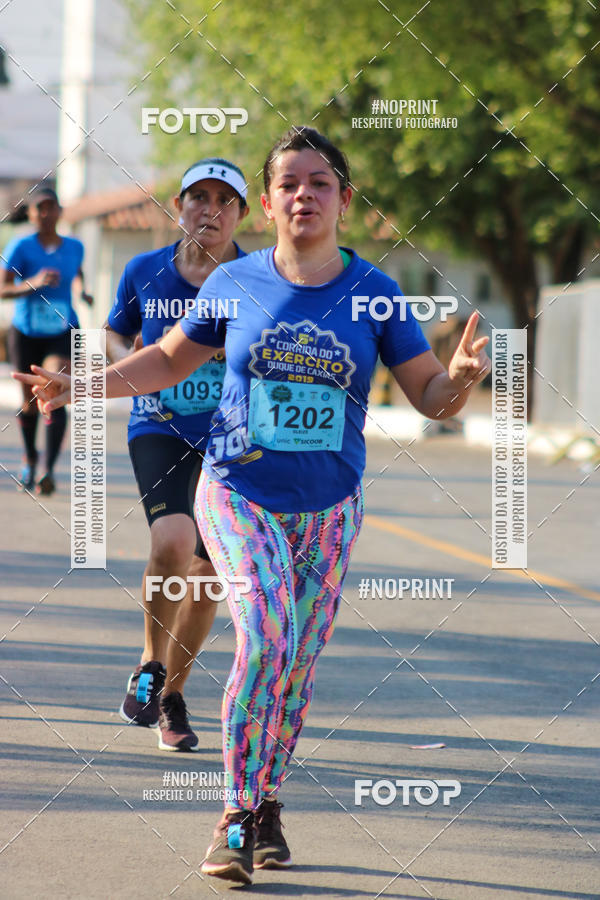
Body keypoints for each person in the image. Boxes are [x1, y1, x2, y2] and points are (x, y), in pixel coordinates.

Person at [14, 127, 491, 885]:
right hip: (238, 494)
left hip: (330, 510)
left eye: (321, 183)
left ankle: (267, 804)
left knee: (295, 671)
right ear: (267, 204)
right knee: (265, 639)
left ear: (344, 200)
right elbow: (168, 358)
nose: (305, 194)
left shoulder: (375, 293)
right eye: (290, 184)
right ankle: (235, 815)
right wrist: (81, 385)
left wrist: (461, 376)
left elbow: (430, 397)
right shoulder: (234, 287)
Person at [104, 159, 249, 751]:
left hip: (232, 437)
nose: (210, 210)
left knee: (210, 574)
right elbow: (116, 332)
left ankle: (172, 694)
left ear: (242, 213)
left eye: (224, 200)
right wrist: (132, 353)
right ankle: (149, 660)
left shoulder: (256, 280)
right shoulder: (144, 270)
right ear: (179, 206)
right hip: (159, 427)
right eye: (198, 198)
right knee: (172, 542)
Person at [0, 185, 93, 495]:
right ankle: (30, 456)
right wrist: (33, 284)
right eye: (39, 208)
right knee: (28, 400)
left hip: (61, 330)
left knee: (53, 389)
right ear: (31, 213)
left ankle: (48, 471)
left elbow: (77, 272)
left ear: (59, 211)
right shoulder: (20, 247)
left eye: (51, 206)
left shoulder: (75, 246)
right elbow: (2, 289)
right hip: (25, 331)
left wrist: (82, 290)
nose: (45, 213)